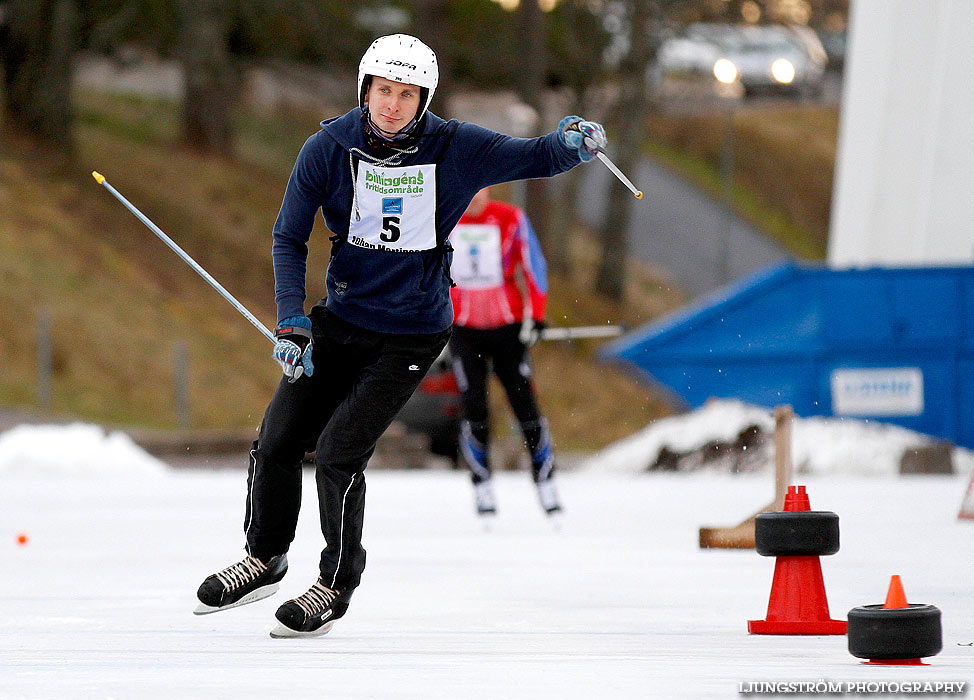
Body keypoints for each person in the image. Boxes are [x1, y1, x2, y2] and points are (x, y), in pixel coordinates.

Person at [193, 33, 607, 638]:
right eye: (382, 91)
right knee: (279, 435)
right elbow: (288, 235)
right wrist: (291, 320)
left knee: (338, 452)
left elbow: (532, 156)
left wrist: (573, 144)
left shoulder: (455, 148)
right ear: (365, 91)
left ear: (423, 98)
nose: (392, 105)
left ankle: (333, 588)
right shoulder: (328, 147)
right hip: (341, 320)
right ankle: (266, 556)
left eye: (406, 94)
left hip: (411, 334)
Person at [448, 187, 560, 517]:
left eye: (479, 188)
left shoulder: (510, 218)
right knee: (474, 406)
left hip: (507, 327)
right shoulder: (445, 216)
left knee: (523, 402)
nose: (473, 197)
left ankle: (545, 479)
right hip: (463, 329)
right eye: (466, 187)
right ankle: (481, 483)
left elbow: (534, 267)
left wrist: (535, 315)